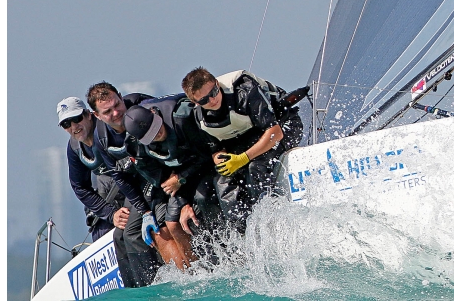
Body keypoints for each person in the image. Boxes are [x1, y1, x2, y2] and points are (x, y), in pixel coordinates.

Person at [85, 82, 189, 284]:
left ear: (121, 97)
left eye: (117, 104)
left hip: (169, 173)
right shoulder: (102, 138)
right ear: (97, 116)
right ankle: (142, 290)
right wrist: (144, 211)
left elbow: (172, 108)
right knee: (124, 236)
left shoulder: (142, 106)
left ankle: (186, 278)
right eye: (107, 112)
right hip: (143, 182)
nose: (116, 113)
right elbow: (119, 177)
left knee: (159, 226)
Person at [180, 67, 303, 233]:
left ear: (217, 84)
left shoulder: (245, 92)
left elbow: (275, 133)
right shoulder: (200, 118)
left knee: (255, 167)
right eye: (204, 100)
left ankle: (269, 224)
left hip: (283, 125)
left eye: (214, 92)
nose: (213, 100)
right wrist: (223, 159)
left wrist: (243, 158)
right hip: (248, 136)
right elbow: (216, 151)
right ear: (196, 103)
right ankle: (240, 234)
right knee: (222, 181)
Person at [122, 94, 219, 269]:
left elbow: (208, 154)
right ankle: (196, 272)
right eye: (151, 135)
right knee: (172, 224)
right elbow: (158, 179)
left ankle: (222, 255)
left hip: (203, 167)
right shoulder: (135, 147)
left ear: (155, 114)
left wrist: (182, 177)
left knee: (202, 200)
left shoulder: (182, 118)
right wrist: (182, 198)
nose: (158, 133)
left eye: (156, 126)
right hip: (177, 180)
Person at [56, 96, 127, 255]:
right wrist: (110, 214)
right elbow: (79, 187)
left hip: (131, 187)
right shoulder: (74, 148)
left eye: (76, 119)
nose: (74, 126)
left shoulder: (108, 127)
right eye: (67, 124)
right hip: (108, 198)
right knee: (101, 232)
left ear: (88, 114)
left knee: (130, 232)